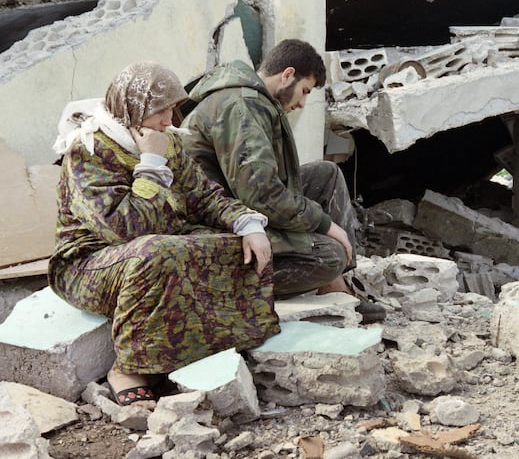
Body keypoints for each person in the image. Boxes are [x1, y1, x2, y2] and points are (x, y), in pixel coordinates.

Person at [48, 62, 280, 409]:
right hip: (89, 265)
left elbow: (204, 197)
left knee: (237, 246)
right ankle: (128, 370)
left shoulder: (168, 141)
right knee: (156, 252)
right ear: (133, 108)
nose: (171, 120)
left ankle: (200, 346)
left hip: (156, 247)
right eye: (162, 109)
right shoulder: (88, 150)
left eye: (174, 108)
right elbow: (125, 229)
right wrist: (152, 162)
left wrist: (246, 222)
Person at [181, 39, 385, 322]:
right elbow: (260, 194)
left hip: (236, 203)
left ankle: (334, 285)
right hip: (216, 223)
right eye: (304, 91)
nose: (301, 103)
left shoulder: (250, 98)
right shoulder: (243, 105)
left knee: (326, 174)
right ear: (287, 74)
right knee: (330, 255)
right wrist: (325, 225)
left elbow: (261, 183)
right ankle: (235, 288)